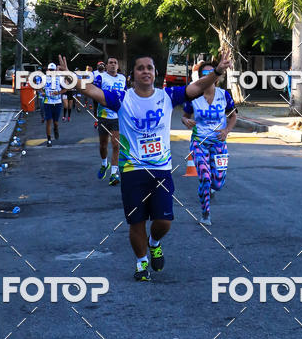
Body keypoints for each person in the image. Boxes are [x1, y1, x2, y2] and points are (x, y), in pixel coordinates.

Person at [60, 50, 232, 281]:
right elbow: (92, 90)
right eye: (140, 68)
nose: (145, 71)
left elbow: (197, 87)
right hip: (132, 170)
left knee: (164, 221)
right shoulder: (122, 98)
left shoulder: (168, 96)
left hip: (161, 170)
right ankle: (141, 263)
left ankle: (155, 242)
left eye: (149, 68)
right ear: (131, 76)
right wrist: (69, 77)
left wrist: (218, 71)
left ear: (155, 74)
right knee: (136, 221)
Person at [181, 62, 237, 226]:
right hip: (199, 143)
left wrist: (226, 130)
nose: (208, 77)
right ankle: (205, 214)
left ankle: (212, 189)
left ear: (217, 77)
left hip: (219, 143)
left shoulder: (224, 95)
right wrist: (186, 120)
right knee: (205, 177)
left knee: (218, 183)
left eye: (210, 73)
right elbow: (184, 115)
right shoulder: (194, 97)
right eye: (204, 74)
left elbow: (233, 116)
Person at [93, 56, 127, 186]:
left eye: (115, 63)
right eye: (110, 63)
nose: (113, 65)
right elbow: (94, 94)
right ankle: (104, 164)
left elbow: (124, 95)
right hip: (103, 116)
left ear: (118, 66)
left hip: (117, 116)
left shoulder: (122, 78)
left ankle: (114, 174)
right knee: (103, 145)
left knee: (116, 145)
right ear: (106, 66)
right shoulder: (100, 77)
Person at [43, 62, 63, 146]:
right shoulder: (44, 78)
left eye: (53, 70)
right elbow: (38, 88)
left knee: (55, 122)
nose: (51, 71)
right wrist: (41, 92)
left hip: (57, 103)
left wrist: (58, 92)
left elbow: (66, 89)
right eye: (50, 70)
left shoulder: (60, 78)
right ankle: (49, 140)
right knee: (48, 121)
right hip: (48, 102)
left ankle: (56, 129)